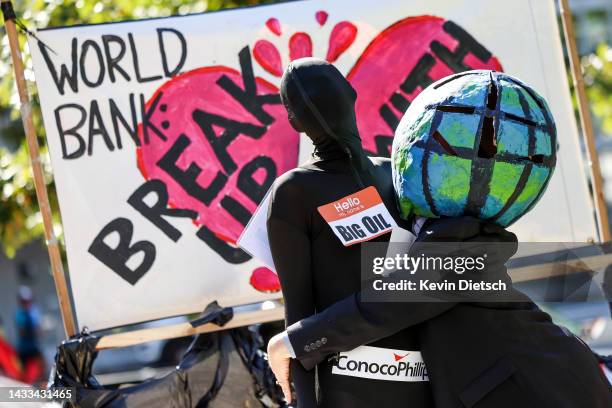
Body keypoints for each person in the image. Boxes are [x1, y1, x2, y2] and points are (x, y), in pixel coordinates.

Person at [267, 58, 435, 407]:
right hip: (424, 381)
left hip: (351, 387)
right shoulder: (401, 175)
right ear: (351, 94)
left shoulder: (294, 192)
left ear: (292, 121)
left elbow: (298, 312)